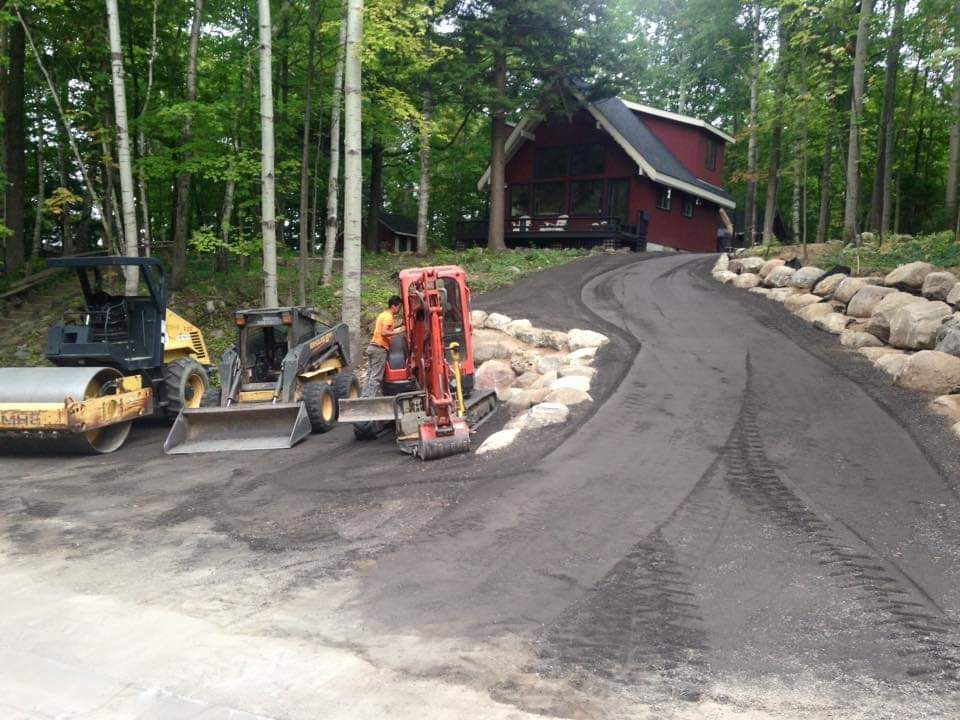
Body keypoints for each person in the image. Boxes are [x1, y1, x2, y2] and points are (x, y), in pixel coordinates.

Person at [362, 295, 404, 397]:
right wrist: (398, 331)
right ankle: (369, 402)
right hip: (379, 349)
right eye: (399, 307)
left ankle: (364, 398)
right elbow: (384, 332)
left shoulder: (382, 315)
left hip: (372, 347)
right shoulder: (389, 317)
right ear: (394, 306)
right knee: (376, 377)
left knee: (370, 375)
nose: (399, 310)